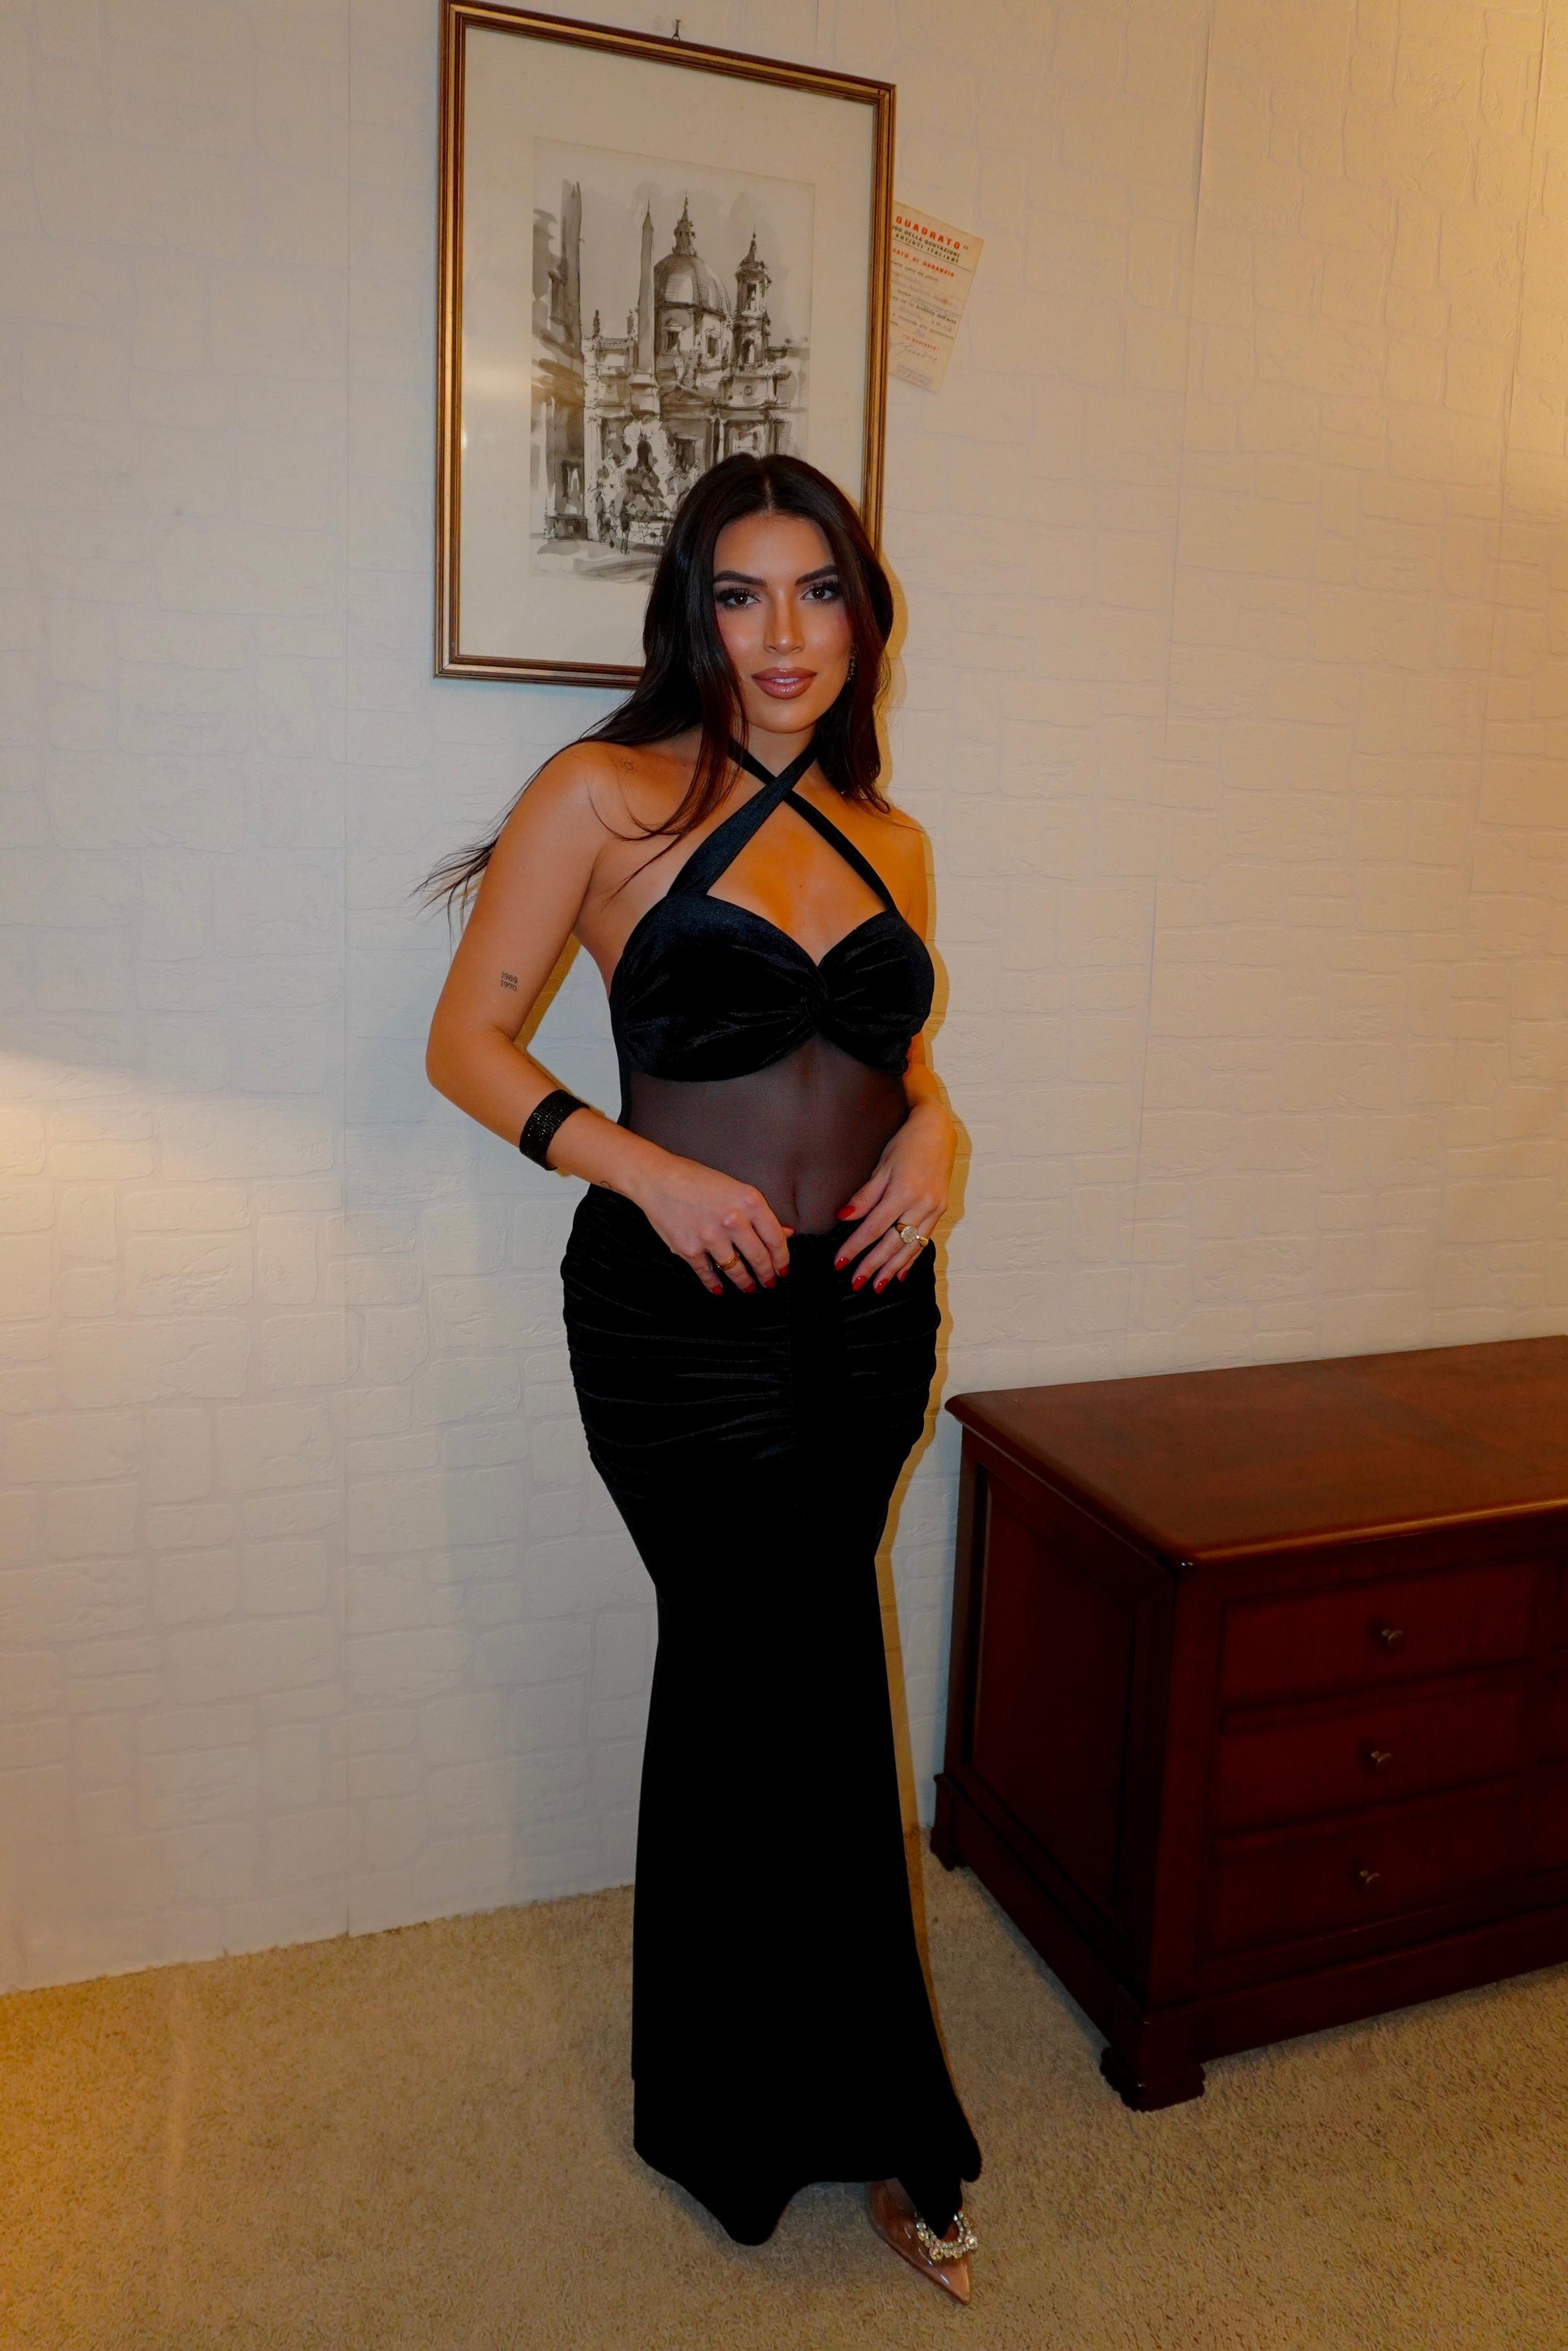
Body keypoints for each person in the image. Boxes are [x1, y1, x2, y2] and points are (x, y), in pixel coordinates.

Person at [422, 453, 983, 2301]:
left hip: (867, 1310)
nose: (783, 634)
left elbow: (892, 1062)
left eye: (818, 591)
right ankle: (843, 2117)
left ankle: (768, 2097)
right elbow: (467, 1043)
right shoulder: (604, 795)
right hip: (678, 1323)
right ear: (690, 613)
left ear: (862, 614)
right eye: (740, 594)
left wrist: (938, 1130)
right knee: (780, 1677)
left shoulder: (888, 833)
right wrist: (645, 1170)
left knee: (793, 1681)